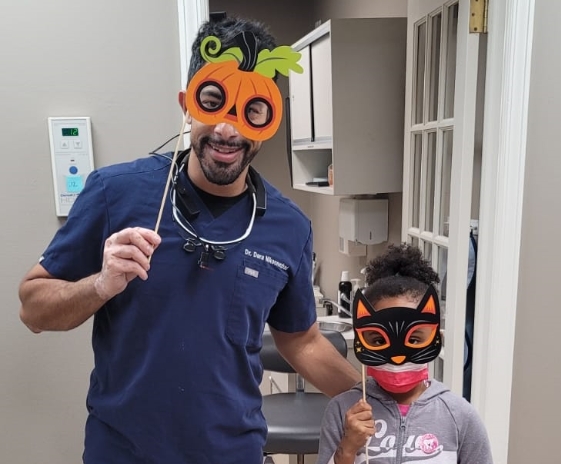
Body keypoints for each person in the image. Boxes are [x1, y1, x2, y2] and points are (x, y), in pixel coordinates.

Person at [18, 16, 360, 464]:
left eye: (251, 111)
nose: (227, 130)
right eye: (214, 102)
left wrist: (382, 395)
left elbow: (301, 340)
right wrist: (99, 285)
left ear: (267, 120)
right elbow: (33, 308)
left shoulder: (288, 226)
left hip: (231, 451)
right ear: (188, 104)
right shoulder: (115, 193)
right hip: (123, 452)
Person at [317, 244, 493, 464]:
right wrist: (348, 448)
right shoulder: (343, 410)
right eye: (379, 340)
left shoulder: (460, 416)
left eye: (414, 339)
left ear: (436, 337)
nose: (398, 357)